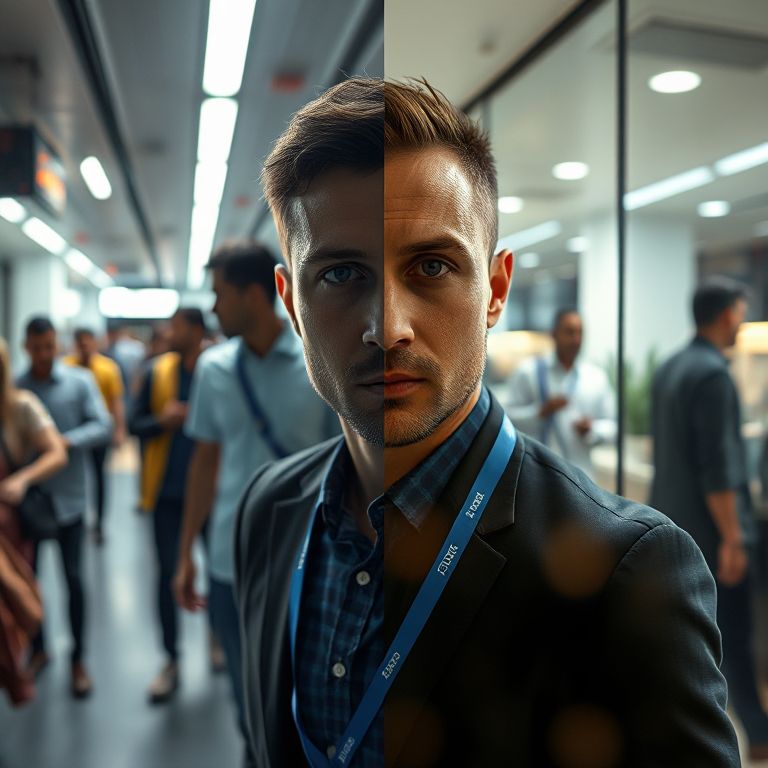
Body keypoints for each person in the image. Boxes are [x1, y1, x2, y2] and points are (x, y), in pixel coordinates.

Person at [234, 78, 739, 767]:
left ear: (495, 290)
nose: (388, 328)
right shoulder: (270, 509)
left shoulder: (627, 571)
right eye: (341, 275)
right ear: (290, 301)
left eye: (432, 265)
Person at [173, 242, 338, 767]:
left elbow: (348, 465)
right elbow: (204, 465)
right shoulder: (213, 371)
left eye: (220, 294)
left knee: (305, 692)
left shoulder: (320, 364)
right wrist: (185, 555)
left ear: (252, 293)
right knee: (248, 698)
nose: (214, 308)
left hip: (309, 559)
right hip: (228, 559)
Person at [651, 278, 768, 760]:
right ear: (726, 315)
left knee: (686, 641)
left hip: (674, 529)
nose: (740, 322)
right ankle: (757, 737)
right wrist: (734, 539)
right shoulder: (714, 375)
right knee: (732, 641)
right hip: (714, 537)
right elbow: (718, 468)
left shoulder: (671, 368)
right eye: (740, 312)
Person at [16, 317, 112, 698]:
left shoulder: (79, 382)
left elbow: (103, 426)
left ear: (57, 345)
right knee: (30, 582)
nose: (43, 355)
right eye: (36, 348)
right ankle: (39, 650)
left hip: (71, 500)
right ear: (27, 348)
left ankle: (78, 660)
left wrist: (62, 444)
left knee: (74, 582)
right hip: (32, 503)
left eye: (49, 347)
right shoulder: (17, 390)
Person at [130, 308, 208, 703]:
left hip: (215, 491)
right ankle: (171, 659)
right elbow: (133, 424)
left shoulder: (218, 369)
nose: (168, 332)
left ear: (195, 330)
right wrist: (162, 420)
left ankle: (217, 642)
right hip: (166, 492)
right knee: (167, 575)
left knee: (223, 569)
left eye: (176, 326)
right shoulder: (157, 371)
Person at [0, 336, 67, 706]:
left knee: (11, 612)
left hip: (8, 531)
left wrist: (22, 479)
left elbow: (56, 452)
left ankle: (19, 674)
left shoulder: (21, 406)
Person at [506, 309, 616, 479]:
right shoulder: (528, 372)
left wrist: (592, 430)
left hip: (582, 480)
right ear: (553, 334)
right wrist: (540, 413)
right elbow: (507, 419)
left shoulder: (596, 378)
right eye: (569, 332)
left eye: (580, 332)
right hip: (537, 476)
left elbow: (613, 428)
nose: (576, 339)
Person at [63, 327, 126, 544]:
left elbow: (116, 401)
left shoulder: (107, 369)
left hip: (98, 434)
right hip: (73, 434)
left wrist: (119, 430)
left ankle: (99, 522)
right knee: (74, 478)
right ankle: (75, 519)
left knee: (99, 477)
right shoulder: (66, 367)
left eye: (88, 342)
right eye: (80, 342)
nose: (84, 346)